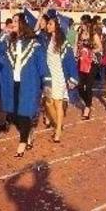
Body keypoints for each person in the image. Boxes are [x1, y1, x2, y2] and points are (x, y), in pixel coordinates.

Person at [0, 12, 45, 156]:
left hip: (28, 83)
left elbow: (42, 65)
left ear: (22, 24)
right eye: (12, 21)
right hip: (11, 82)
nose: (12, 23)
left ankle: (23, 141)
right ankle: (28, 132)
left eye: (15, 21)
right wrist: (3, 35)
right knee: (12, 114)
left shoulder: (34, 43)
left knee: (24, 112)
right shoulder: (8, 41)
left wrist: (46, 82)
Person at [42, 13, 78, 142]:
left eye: (50, 24)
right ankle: (58, 124)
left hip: (59, 76)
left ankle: (57, 131)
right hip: (48, 76)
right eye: (48, 23)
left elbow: (70, 61)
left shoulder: (64, 43)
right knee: (48, 102)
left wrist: (72, 77)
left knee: (58, 103)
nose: (48, 25)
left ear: (57, 26)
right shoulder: (46, 40)